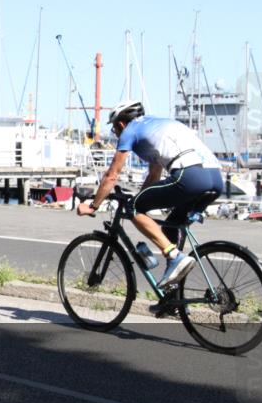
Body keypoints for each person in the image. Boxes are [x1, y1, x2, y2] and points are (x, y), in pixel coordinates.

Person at [76, 100, 224, 299]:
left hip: (190, 176)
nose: (116, 133)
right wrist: (141, 199)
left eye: (114, 128)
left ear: (121, 123)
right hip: (215, 179)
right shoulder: (156, 125)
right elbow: (154, 176)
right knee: (171, 227)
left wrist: (93, 205)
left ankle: (173, 256)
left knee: (133, 208)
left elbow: (112, 175)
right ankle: (173, 296)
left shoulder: (130, 131)